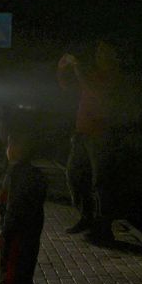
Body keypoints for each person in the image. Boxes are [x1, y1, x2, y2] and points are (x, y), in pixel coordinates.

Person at [57, 41, 121, 245]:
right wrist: (62, 69)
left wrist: (78, 69)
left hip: (100, 136)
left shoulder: (113, 75)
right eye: (98, 51)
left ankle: (103, 229)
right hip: (82, 134)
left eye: (104, 51)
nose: (99, 54)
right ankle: (87, 217)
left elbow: (93, 90)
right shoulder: (93, 73)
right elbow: (69, 87)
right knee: (74, 176)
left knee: (100, 184)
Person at [0, 131, 47, 284]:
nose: (7, 149)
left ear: (16, 148)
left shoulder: (19, 174)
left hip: (18, 238)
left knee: (13, 283)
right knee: (20, 283)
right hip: (28, 237)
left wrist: (5, 234)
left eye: (9, 144)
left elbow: (14, 209)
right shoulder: (32, 174)